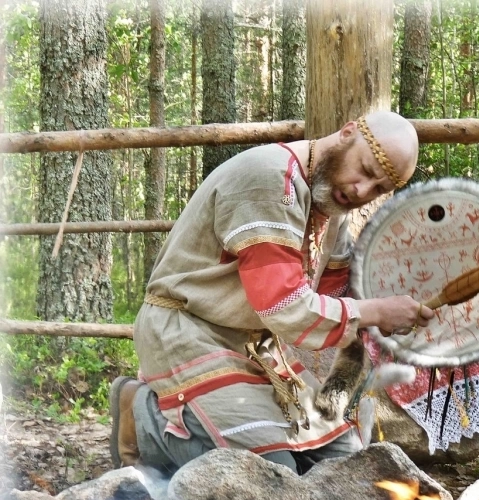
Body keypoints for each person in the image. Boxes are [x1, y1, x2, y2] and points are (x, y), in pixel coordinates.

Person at [109, 111, 435, 475]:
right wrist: (374, 311)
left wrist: (397, 303)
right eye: (365, 169)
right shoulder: (267, 179)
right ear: (347, 133)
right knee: (272, 475)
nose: (362, 191)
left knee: (342, 464)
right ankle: (142, 417)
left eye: (378, 189)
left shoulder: (331, 206)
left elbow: (335, 293)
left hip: (256, 347)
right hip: (188, 332)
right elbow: (284, 306)